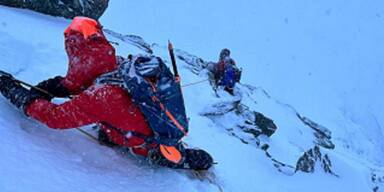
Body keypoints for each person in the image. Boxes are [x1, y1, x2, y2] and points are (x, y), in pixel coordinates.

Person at [0, 17, 212, 170]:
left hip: (143, 142)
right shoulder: (116, 65)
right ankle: (161, 147)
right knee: (119, 132)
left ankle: (174, 156)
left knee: (153, 152)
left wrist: (20, 96)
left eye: (73, 54)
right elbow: (80, 81)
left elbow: (54, 118)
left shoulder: (101, 96)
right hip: (140, 126)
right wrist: (51, 88)